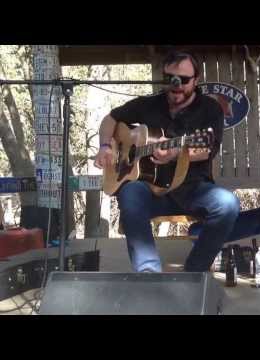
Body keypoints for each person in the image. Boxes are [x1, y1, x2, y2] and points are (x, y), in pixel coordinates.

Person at [94, 50, 240, 273]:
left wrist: (176, 153)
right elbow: (111, 119)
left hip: (192, 189)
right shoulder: (149, 104)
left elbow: (208, 149)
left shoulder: (209, 109)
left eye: (184, 80)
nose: (177, 86)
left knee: (228, 204)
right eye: (171, 79)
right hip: (152, 191)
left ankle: (195, 272)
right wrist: (105, 146)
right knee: (129, 192)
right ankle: (149, 273)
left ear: (196, 80)